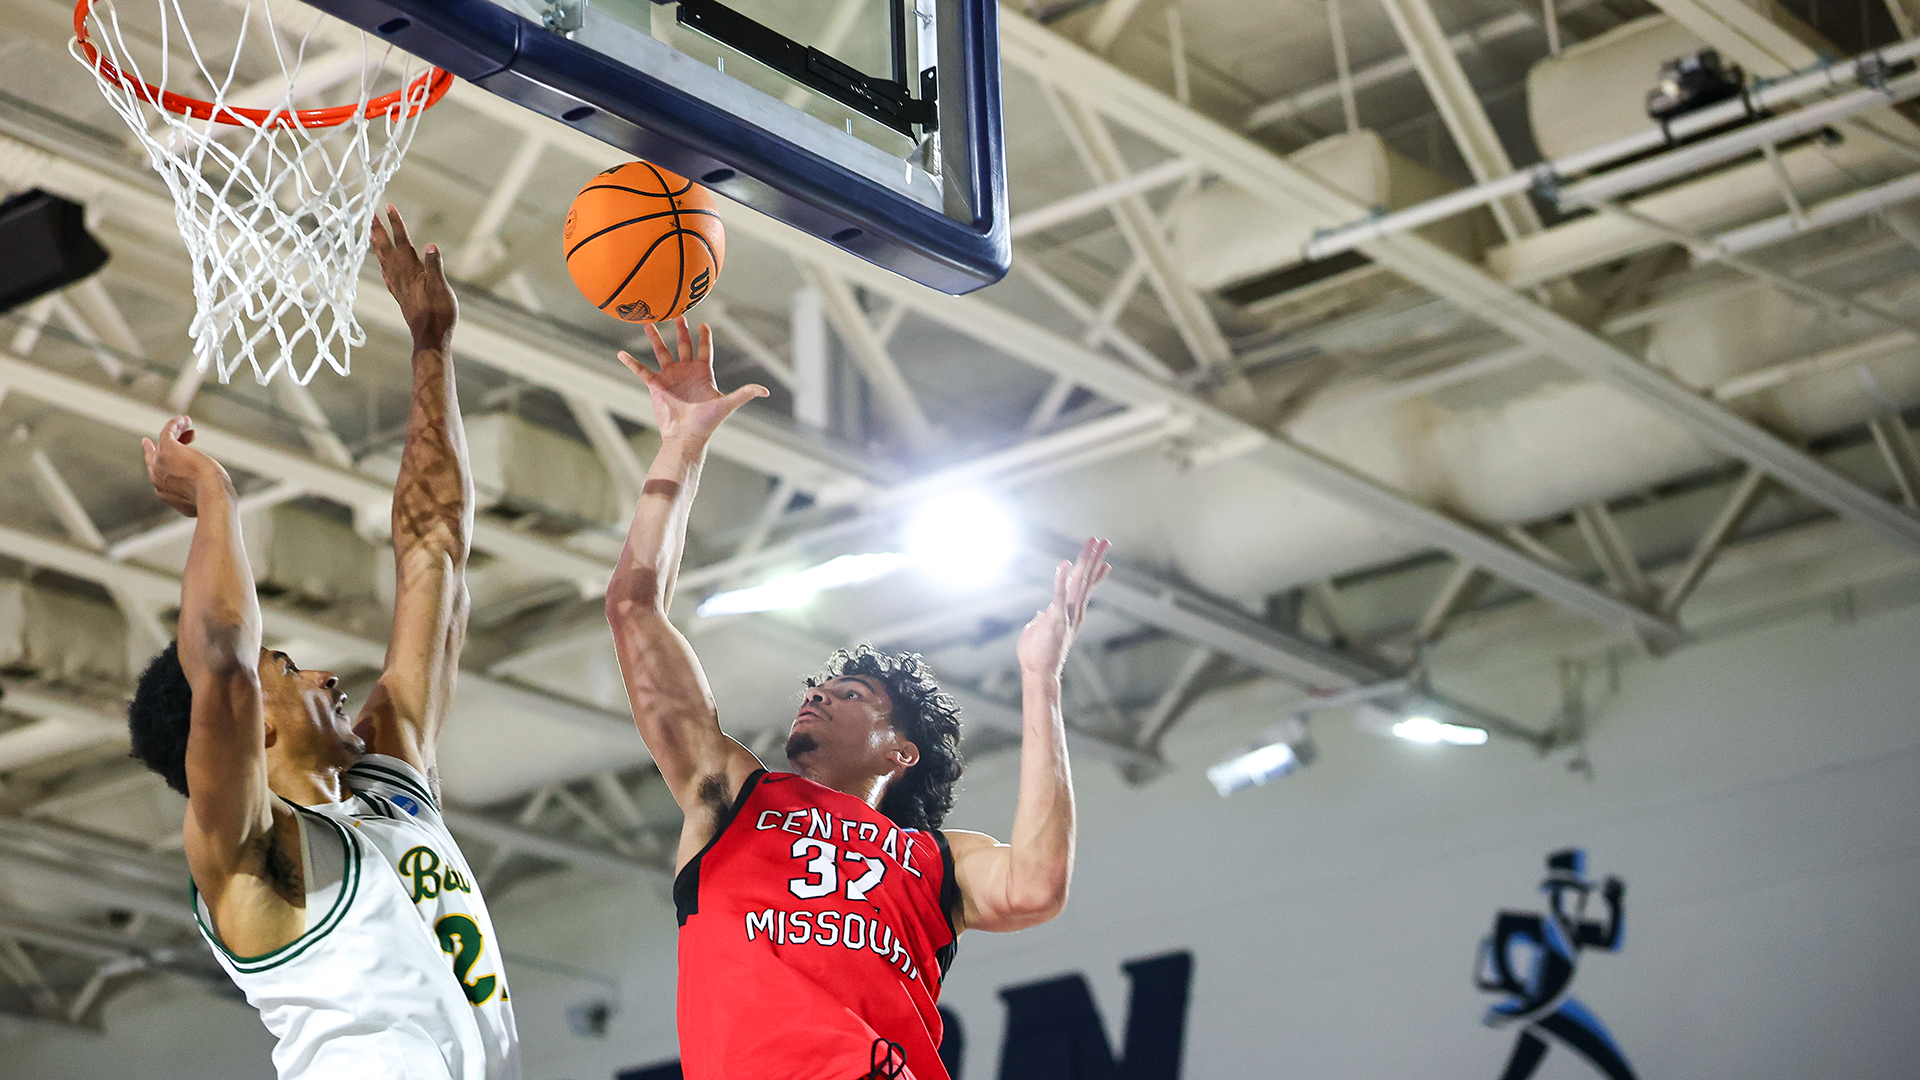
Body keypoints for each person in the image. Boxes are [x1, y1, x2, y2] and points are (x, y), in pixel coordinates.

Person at [603, 315, 1111, 1080]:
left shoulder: (935, 862)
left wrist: (1042, 680)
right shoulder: (733, 797)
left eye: (849, 693)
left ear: (899, 749)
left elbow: (1037, 885)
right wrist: (681, 448)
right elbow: (635, 608)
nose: (817, 695)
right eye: (819, 685)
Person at [125, 207, 520, 1080]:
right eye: (289, 668)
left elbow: (435, 560)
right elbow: (222, 667)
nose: (326, 674)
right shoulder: (247, 857)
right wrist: (217, 500)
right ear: (250, 731)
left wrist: (432, 348)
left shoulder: (389, 782)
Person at [1475, 848, 1634, 1080]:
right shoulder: (1542, 926)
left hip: (1549, 1007)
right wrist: (1512, 983)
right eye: (1569, 893)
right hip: (1552, 1009)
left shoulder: (1575, 930)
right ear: (1554, 894)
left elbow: (1611, 942)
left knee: (1521, 1066)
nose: (1576, 901)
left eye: (1579, 894)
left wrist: (1615, 904)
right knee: (1609, 1059)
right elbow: (1503, 923)